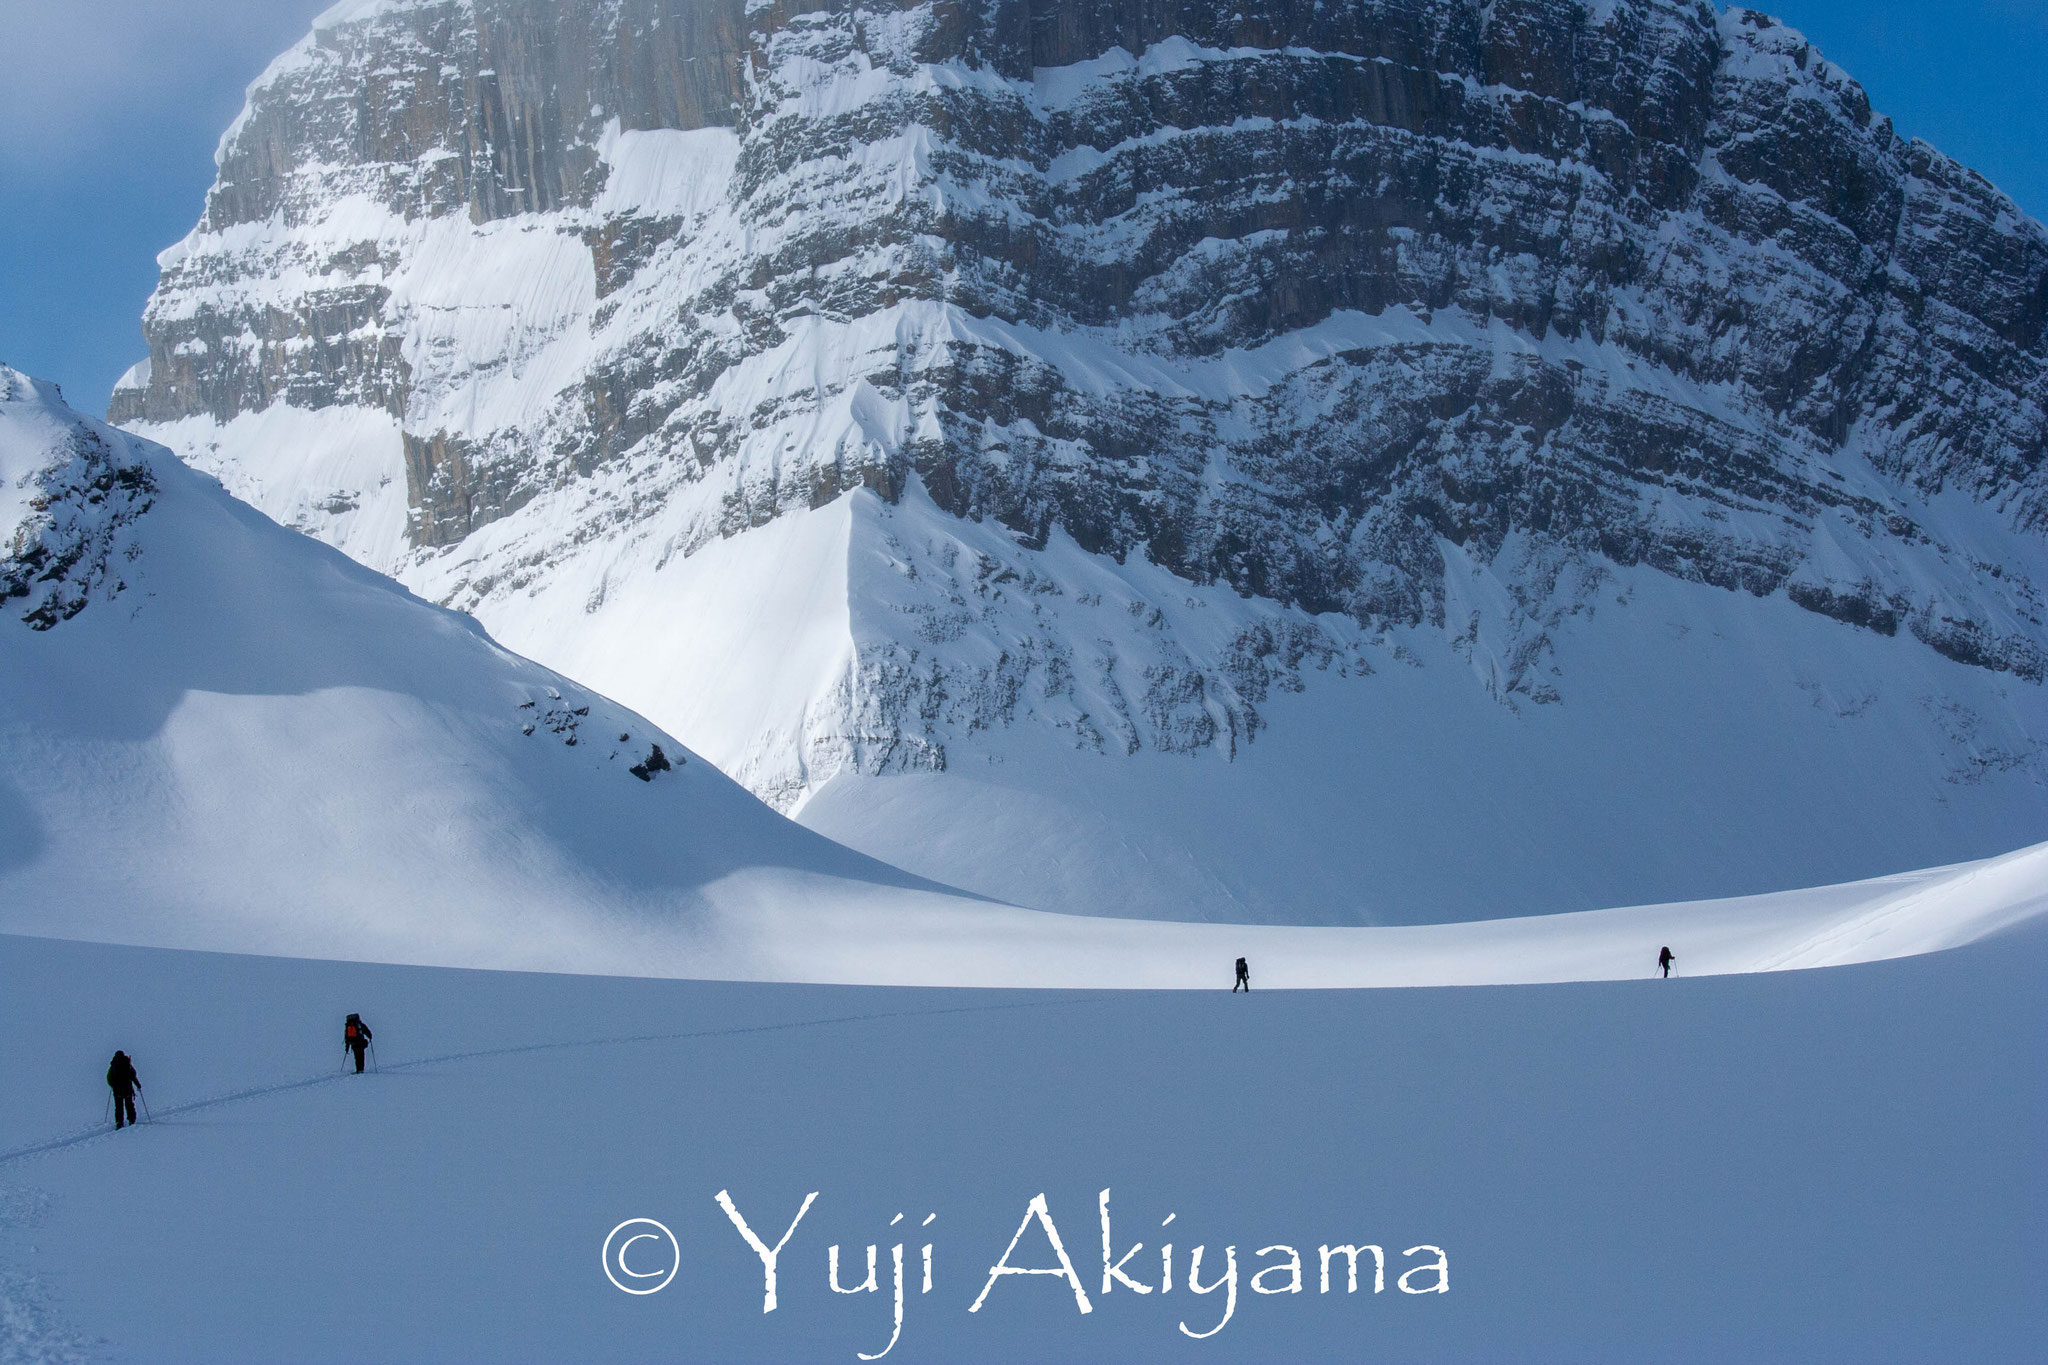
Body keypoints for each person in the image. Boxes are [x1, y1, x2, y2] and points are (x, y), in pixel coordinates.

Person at [107, 1050, 140, 1129]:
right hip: (127, 1088)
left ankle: (119, 1122)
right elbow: (133, 1075)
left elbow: (109, 1078)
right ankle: (131, 1119)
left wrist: (113, 1085)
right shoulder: (127, 1064)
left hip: (117, 1090)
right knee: (129, 1104)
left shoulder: (113, 1065)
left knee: (118, 1106)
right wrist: (138, 1085)